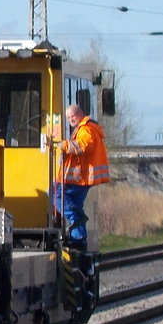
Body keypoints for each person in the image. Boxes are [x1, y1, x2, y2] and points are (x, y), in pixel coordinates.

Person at [46, 103, 109, 249]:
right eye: (68, 117)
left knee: (55, 193)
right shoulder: (84, 128)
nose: (70, 120)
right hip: (80, 178)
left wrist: (62, 145)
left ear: (80, 114)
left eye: (72, 116)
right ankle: (78, 240)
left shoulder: (86, 129)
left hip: (80, 178)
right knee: (73, 204)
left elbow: (83, 146)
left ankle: (79, 224)